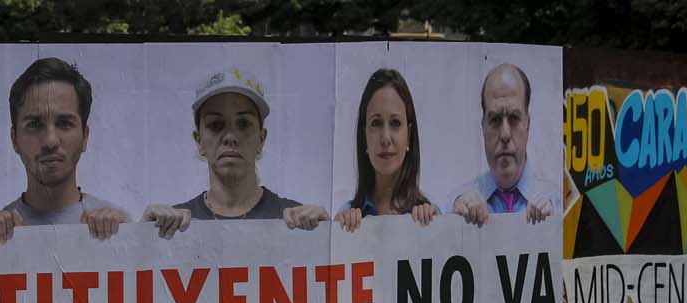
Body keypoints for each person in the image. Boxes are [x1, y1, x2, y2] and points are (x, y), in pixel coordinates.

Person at [143, 69, 328, 238]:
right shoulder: (171, 228)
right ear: (199, 141)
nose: (230, 137)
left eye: (243, 124)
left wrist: (329, 238)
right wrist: (142, 238)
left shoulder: (297, 222)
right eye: (216, 124)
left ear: (261, 139)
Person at [0, 58, 130, 244]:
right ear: (14, 139)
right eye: (34, 124)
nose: (50, 141)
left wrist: (158, 231)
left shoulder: (123, 227)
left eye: (64, 123)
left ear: (85, 136)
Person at [449, 63, 558, 226]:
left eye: (514, 118)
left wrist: (557, 230)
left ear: (527, 124)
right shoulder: (456, 206)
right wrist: (452, 227)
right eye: (495, 120)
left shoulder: (560, 203)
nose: (505, 134)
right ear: (483, 127)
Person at [334, 68, 438, 234]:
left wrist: (435, 228)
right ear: (364, 135)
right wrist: (339, 234)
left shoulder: (432, 215)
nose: (385, 139)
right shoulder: (346, 216)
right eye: (376, 123)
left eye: (395, 123)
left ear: (409, 135)